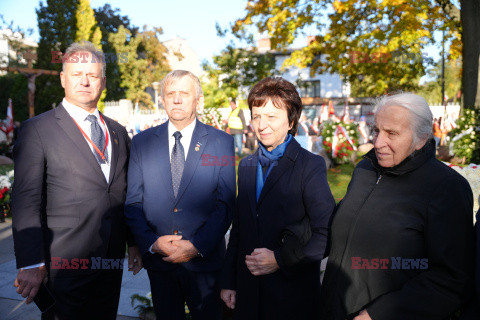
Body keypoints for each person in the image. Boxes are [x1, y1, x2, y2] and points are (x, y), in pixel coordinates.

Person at [11, 41, 142, 320]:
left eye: (93, 75)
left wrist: (134, 243)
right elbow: (26, 201)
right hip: (63, 263)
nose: (85, 81)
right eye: (76, 74)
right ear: (62, 79)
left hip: (109, 259)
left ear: (103, 81)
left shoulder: (118, 132)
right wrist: (31, 262)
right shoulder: (37, 130)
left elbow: (124, 192)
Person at [320, 93, 475, 320]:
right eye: (376, 130)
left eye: (391, 133)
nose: (378, 142)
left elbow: (452, 280)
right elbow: (340, 229)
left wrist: (379, 314)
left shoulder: (446, 187)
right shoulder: (365, 169)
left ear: (421, 138)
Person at [220, 76, 336, 320]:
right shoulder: (247, 165)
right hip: (250, 294)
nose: (262, 125)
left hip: (291, 296)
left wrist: (280, 260)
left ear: (291, 120)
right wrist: (229, 282)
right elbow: (239, 230)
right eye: (256, 116)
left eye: (272, 116)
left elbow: (325, 235)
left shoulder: (310, 165)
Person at [124, 70, 236, 320]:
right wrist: (152, 243)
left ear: (198, 99)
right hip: (160, 264)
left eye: (184, 93)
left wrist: (196, 246)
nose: (176, 99)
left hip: (205, 264)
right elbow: (133, 202)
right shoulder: (142, 143)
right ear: (162, 99)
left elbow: (226, 204)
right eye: (170, 94)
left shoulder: (221, 142)